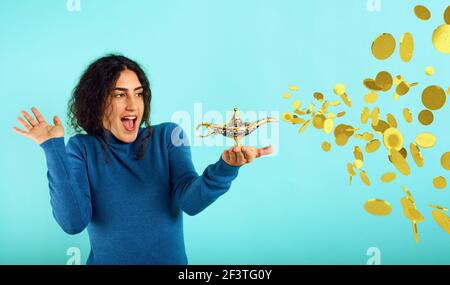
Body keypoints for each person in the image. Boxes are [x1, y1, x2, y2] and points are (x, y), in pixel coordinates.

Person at [12, 54, 273, 265]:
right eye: (120, 94)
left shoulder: (168, 136)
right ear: (98, 101)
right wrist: (52, 148)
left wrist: (226, 168)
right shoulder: (81, 148)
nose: (133, 105)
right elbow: (73, 223)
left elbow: (190, 201)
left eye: (138, 93)